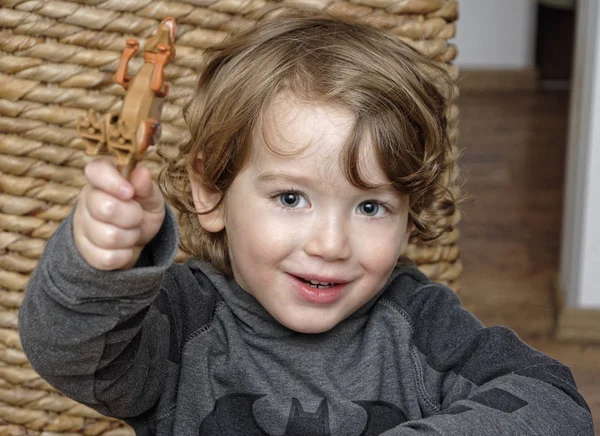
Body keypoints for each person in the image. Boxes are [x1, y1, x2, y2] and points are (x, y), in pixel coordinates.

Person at [19, 8, 594, 436]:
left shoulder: (418, 325)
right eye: (292, 198)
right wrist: (100, 264)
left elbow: (556, 406)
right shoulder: (179, 322)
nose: (330, 244)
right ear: (211, 191)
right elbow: (69, 356)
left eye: (370, 207)